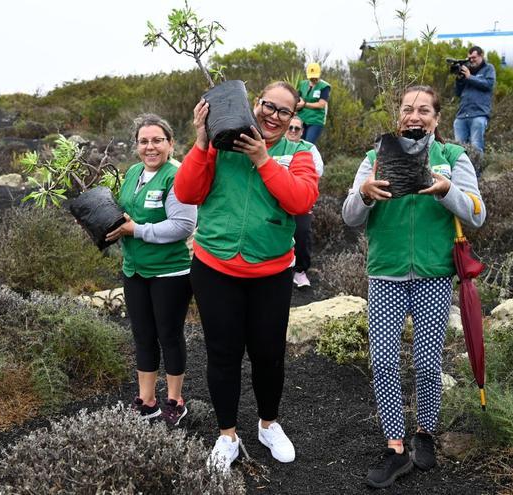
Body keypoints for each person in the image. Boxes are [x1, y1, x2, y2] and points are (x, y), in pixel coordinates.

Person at [342, 85, 486, 489]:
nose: (415, 116)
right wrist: (365, 195)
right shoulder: (375, 157)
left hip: (434, 274)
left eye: (424, 110)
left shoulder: (453, 158)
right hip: (386, 274)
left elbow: (477, 213)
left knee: (427, 362)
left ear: (437, 118)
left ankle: (425, 433)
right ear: (398, 116)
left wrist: (446, 191)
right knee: (384, 362)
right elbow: (349, 215)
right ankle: (395, 447)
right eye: (408, 109)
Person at [175, 81, 319, 471]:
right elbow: (187, 191)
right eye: (268, 106)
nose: (273, 116)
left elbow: (300, 200)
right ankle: (227, 436)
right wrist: (202, 140)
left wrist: (262, 159)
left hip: (271, 272)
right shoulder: (223, 144)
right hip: (215, 267)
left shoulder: (300, 153)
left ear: (294, 118)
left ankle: (268, 425)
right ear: (255, 104)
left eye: (283, 112)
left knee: (268, 355)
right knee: (222, 355)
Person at [105, 114, 198, 426]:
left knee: (169, 336)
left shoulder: (178, 175)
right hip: (134, 269)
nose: (150, 147)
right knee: (143, 335)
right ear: (136, 146)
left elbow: (183, 225)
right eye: (144, 141)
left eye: (157, 140)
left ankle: (175, 400)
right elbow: (125, 213)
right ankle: (147, 402)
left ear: (170, 143)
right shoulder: (133, 172)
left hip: (170, 271)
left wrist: (136, 230)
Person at [285, 116, 325, 288]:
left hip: (301, 196)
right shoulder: (275, 145)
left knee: (302, 232)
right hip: (275, 199)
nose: (293, 131)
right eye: (290, 127)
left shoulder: (309, 148)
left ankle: (300, 271)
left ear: (302, 131)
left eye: (297, 128)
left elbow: (318, 170)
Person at [453, 46, 496, 166]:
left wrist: (469, 77)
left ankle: (477, 176)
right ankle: (461, 174)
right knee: (458, 149)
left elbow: (488, 84)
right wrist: (459, 79)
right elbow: (457, 93)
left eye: (474, 57)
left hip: (479, 114)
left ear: (481, 56)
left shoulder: (488, 68)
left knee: (476, 147)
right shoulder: (466, 71)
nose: (471, 60)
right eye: (469, 58)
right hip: (462, 114)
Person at [296, 62, 330, 144]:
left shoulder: (324, 86)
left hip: (315, 120)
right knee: (298, 143)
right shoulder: (302, 84)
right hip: (301, 119)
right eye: (311, 77)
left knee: (308, 144)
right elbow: (298, 99)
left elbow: (321, 105)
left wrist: (304, 104)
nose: (313, 79)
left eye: (315, 76)